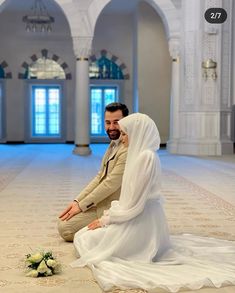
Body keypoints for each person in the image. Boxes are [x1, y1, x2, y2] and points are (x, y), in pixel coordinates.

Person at [71, 113, 235, 292]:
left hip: (141, 222)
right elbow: (129, 199)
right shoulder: (140, 154)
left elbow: (136, 205)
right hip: (135, 216)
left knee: (85, 239)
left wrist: (105, 221)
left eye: (125, 134)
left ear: (138, 133)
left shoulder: (145, 158)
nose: (122, 137)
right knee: (84, 236)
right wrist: (109, 215)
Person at [57, 103, 129, 242]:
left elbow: (109, 184)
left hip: (113, 207)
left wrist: (82, 206)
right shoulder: (114, 143)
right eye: (108, 122)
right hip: (100, 201)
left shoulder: (127, 148)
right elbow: (100, 177)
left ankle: (114, 231)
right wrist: (77, 201)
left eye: (116, 122)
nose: (111, 127)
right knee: (63, 221)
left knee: (65, 229)